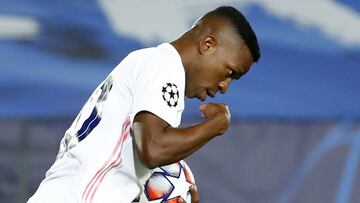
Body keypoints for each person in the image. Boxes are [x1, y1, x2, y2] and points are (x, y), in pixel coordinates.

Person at [27, 5, 260, 203]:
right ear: (208, 45)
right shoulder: (163, 65)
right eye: (230, 72)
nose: (225, 86)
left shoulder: (148, 63)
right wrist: (217, 124)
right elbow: (154, 149)